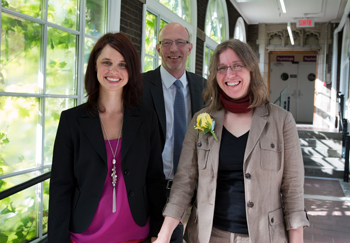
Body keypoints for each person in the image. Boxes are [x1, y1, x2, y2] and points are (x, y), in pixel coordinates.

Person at [154, 39, 310, 243]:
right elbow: (184, 183)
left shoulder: (281, 121)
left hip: (265, 237)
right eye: (221, 68)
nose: (229, 74)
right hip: (209, 235)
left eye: (237, 65)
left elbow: (293, 192)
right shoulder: (202, 120)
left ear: (251, 69)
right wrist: (164, 236)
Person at [48, 32, 166, 243]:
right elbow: (60, 187)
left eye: (123, 64)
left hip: (136, 234)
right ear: (94, 65)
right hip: (84, 236)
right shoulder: (72, 121)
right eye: (107, 62)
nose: (114, 71)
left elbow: (155, 178)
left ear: (131, 70)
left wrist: (159, 230)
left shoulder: (146, 118)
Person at [142, 23, 206, 243]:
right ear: (158, 49)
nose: (173, 49)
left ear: (189, 48)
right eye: (167, 43)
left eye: (180, 42)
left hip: (193, 188)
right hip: (151, 189)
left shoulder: (205, 89)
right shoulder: (139, 87)